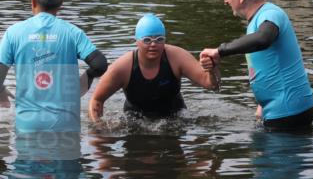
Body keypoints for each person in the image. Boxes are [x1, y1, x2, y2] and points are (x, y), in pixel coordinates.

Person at [200, 0, 313, 131]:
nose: (225, 1)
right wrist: (262, 105)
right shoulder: (258, 20)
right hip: (279, 109)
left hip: (288, 112)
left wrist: (220, 51)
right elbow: (269, 65)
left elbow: (263, 39)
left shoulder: (271, 14)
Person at [0, 0, 107, 133]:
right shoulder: (73, 32)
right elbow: (99, 64)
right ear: (60, 4)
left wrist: (0, 92)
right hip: (66, 126)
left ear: (33, 1)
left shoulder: (14, 33)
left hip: (27, 127)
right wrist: (86, 78)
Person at [88, 13, 220, 121]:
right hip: (136, 120)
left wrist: (212, 69)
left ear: (165, 40)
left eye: (159, 39)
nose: (153, 45)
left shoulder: (177, 57)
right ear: (137, 41)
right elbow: (96, 100)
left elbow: (212, 85)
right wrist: (99, 129)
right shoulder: (123, 67)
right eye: (147, 40)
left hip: (175, 117)